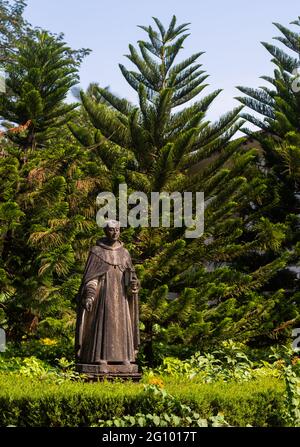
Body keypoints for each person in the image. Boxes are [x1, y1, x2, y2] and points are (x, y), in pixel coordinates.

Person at [75, 220, 140, 370]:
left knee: (122, 325)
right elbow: (91, 278)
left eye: (117, 229)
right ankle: (100, 358)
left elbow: (132, 277)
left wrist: (134, 285)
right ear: (105, 231)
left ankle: (126, 358)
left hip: (122, 299)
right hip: (103, 297)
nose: (115, 232)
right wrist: (90, 295)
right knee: (104, 324)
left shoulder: (125, 253)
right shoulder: (97, 252)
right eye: (111, 230)